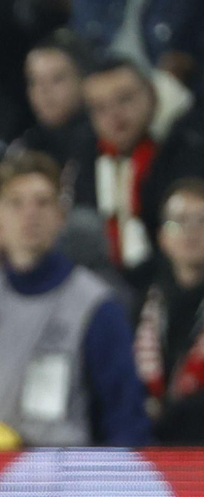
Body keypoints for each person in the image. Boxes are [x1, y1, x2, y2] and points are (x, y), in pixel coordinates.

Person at [0, 151, 149, 447]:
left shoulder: (96, 305)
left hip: (64, 482)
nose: (30, 213)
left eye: (43, 202)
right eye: (16, 203)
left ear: (61, 216)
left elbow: (124, 417)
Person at [74, 57, 204, 274]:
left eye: (124, 99)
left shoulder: (187, 148)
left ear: (151, 94)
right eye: (100, 108)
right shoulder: (86, 158)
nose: (114, 115)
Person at [132, 179, 204, 442]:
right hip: (153, 449)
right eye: (180, 221)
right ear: (162, 236)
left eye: (201, 220)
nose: (191, 232)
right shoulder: (142, 305)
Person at [12, 34, 96, 167]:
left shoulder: (104, 141)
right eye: (34, 81)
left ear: (84, 80)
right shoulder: (24, 149)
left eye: (57, 79)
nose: (44, 91)